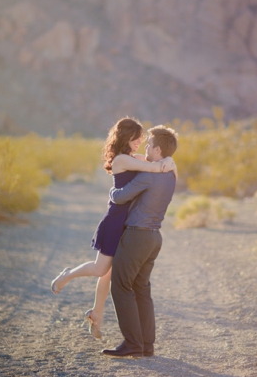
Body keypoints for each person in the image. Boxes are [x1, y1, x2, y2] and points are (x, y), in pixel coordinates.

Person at [50, 117, 176, 338]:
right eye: (136, 139)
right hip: (116, 219)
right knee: (101, 269)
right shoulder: (121, 161)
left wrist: (169, 163)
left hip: (128, 221)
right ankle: (67, 274)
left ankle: (96, 314)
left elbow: (153, 165)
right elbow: (154, 168)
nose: (139, 143)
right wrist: (169, 164)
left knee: (107, 274)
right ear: (126, 138)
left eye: (141, 140)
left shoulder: (134, 158)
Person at [102, 125, 178, 358]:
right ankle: (146, 344)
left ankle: (133, 343)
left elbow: (120, 196)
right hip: (154, 237)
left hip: (137, 236)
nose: (145, 147)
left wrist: (111, 193)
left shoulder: (148, 176)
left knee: (121, 285)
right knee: (141, 289)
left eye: (149, 144)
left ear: (157, 150)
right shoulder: (171, 174)